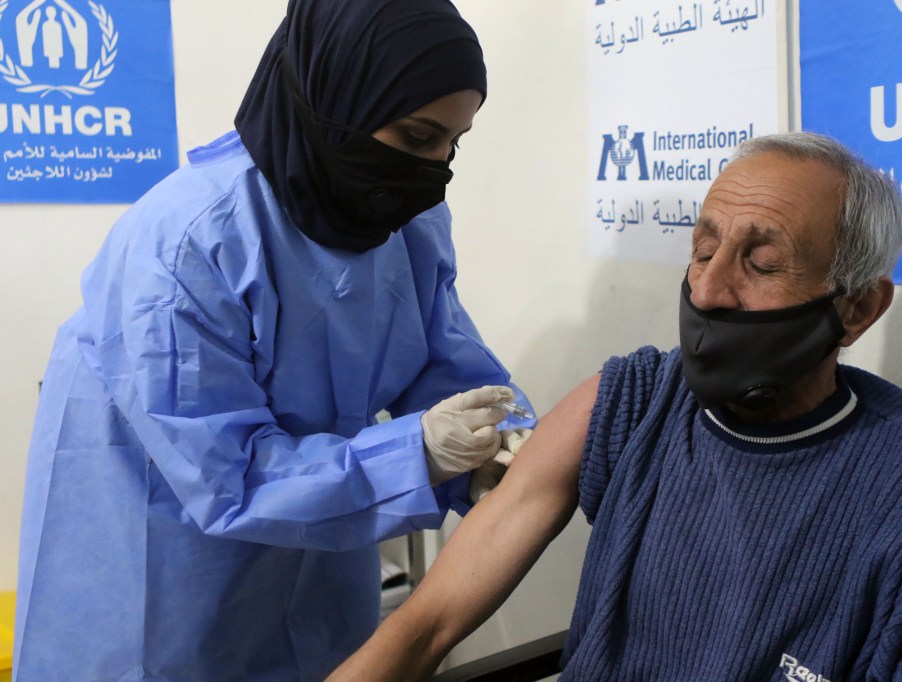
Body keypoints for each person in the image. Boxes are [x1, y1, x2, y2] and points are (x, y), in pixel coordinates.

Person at [329, 131, 902, 681]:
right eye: (703, 250)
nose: (710, 291)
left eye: (761, 262)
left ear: (858, 308)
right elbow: (427, 625)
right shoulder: (634, 400)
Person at [14, 1, 533, 680]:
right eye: (416, 137)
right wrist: (419, 453)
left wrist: (506, 439)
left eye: (453, 144)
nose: (435, 169)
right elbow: (225, 477)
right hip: (164, 573)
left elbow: (437, 354)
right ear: (333, 96)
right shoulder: (189, 242)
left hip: (319, 544)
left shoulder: (407, 218)